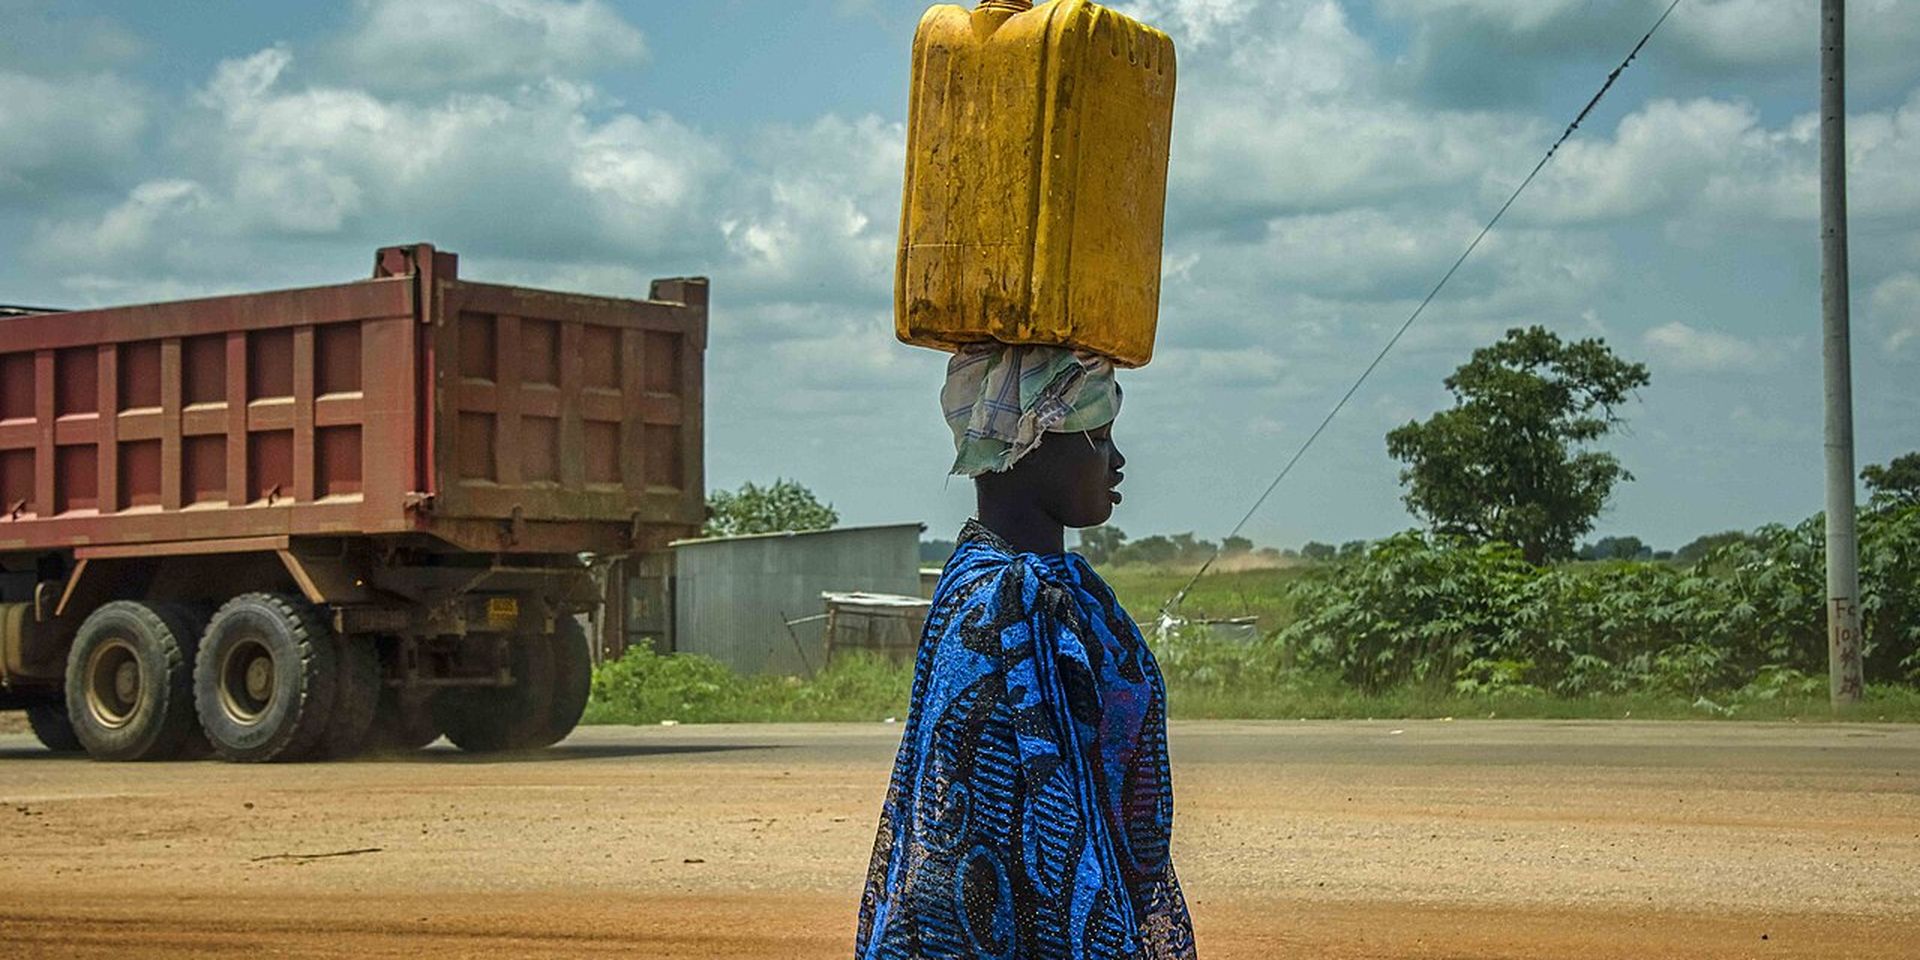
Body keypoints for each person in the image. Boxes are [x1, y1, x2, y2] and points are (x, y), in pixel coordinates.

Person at [855, 344, 1196, 959]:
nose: (1116, 462)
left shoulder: (1060, 595)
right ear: (1032, 441)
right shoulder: (992, 607)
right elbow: (955, 857)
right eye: (1100, 435)